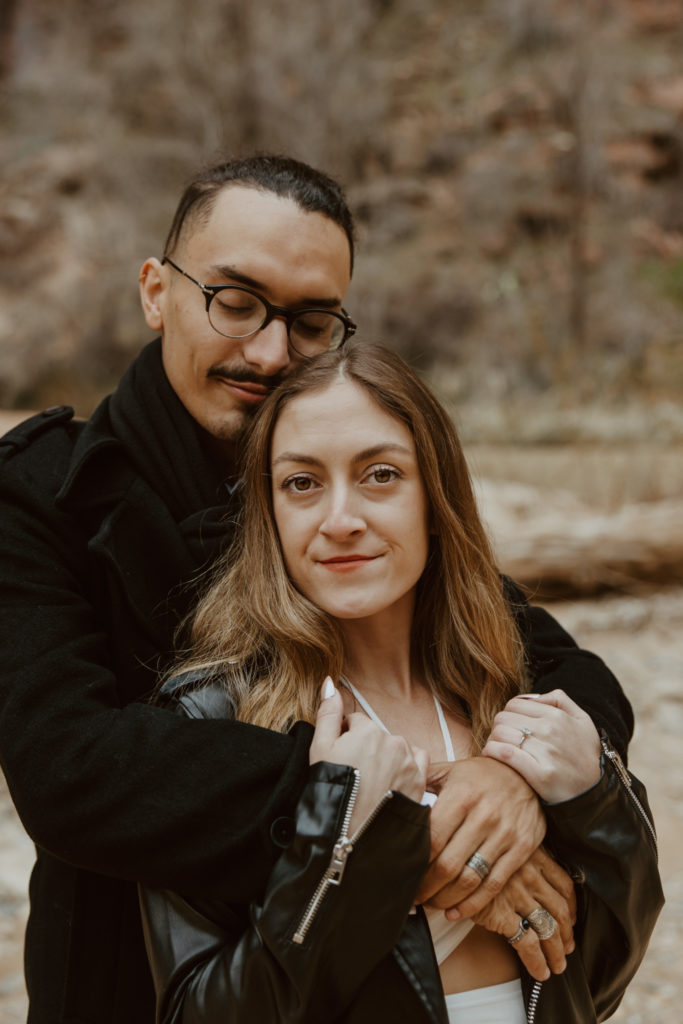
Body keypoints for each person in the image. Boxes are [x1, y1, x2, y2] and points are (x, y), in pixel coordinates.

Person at [0, 155, 634, 1024]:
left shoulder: (352, 503)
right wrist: (398, 818)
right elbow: (67, 771)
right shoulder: (40, 493)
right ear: (156, 291)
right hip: (127, 986)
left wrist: (510, 779)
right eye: (235, 302)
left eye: (309, 321)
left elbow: (547, 657)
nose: (268, 351)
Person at [140, 343, 662, 1024]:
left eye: (380, 475)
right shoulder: (211, 715)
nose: (339, 519)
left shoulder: (509, 687)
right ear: (268, 513)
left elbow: (598, 977)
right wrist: (348, 848)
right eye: (301, 483)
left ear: (434, 493)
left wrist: (587, 799)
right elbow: (197, 1014)